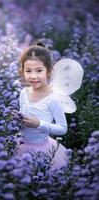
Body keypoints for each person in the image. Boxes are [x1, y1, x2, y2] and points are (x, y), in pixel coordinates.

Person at [14, 41, 80, 170]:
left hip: (41, 149)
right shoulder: (23, 93)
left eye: (39, 71)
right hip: (20, 144)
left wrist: (39, 124)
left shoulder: (53, 98)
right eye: (28, 71)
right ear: (23, 71)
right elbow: (24, 115)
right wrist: (17, 119)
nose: (33, 76)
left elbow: (62, 128)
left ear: (48, 71)